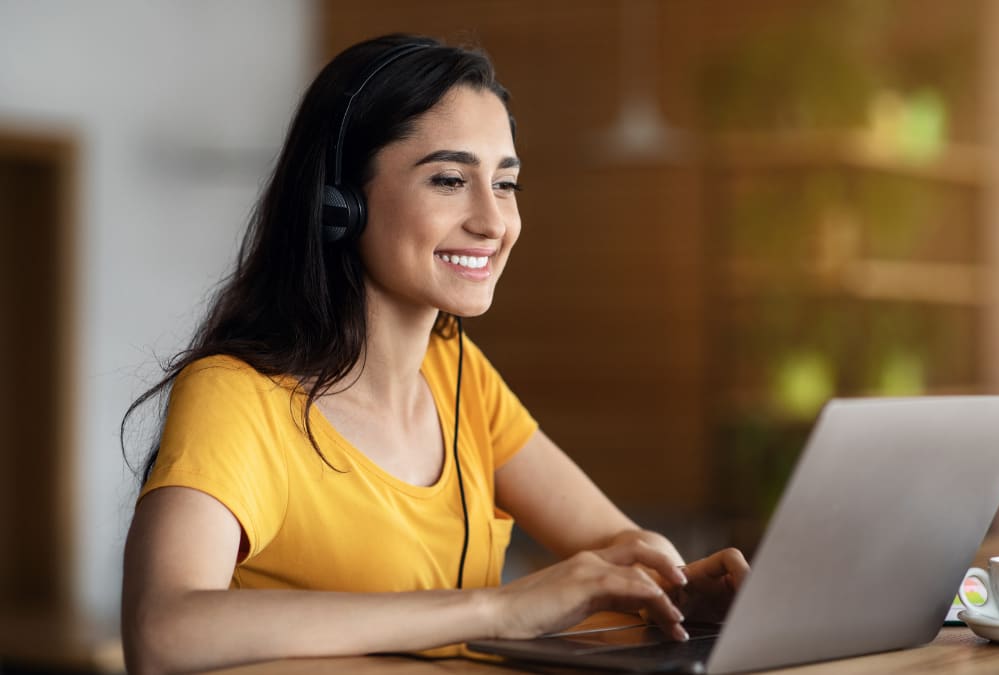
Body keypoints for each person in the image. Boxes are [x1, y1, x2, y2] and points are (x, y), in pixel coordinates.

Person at [120, 33, 748, 675]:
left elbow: (615, 546)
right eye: (450, 179)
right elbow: (162, 631)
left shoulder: (456, 372)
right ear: (341, 202)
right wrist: (496, 609)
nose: (493, 221)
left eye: (506, 184)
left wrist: (670, 588)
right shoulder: (238, 394)